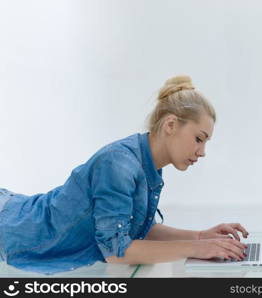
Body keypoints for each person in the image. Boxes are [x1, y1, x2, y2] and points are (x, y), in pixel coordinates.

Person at [0, 75, 248, 275]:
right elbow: (117, 251)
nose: (202, 152)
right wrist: (197, 248)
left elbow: (135, 229)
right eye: (199, 139)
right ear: (170, 125)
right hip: (10, 227)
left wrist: (200, 236)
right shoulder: (119, 164)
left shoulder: (146, 163)